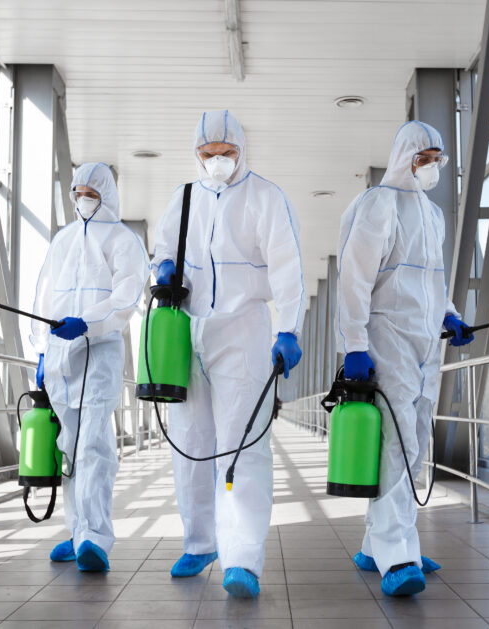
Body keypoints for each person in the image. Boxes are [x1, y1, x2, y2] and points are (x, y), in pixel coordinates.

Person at [152, 110, 305, 598]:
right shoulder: (185, 197)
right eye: (208, 154)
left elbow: (287, 268)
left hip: (244, 331)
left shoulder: (265, 197)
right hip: (187, 330)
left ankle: (241, 557)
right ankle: (200, 541)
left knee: (241, 445)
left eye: (227, 153)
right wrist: (163, 268)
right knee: (192, 442)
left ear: (241, 150)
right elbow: (158, 252)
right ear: (196, 154)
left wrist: (289, 329)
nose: (217, 162)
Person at [336, 120, 474, 596]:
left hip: (424, 341)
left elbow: (433, 279)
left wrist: (451, 315)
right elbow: (354, 280)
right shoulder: (379, 204)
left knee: (414, 440)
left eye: (437, 159)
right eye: (424, 159)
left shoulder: (432, 214)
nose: (431, 167)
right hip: (386, 334)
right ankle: (398, 555)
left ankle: (379, 545)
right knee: (395, 442)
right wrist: (354, 343)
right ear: (404, 158)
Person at [31, 162, 149, 572]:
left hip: (98, 354)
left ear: (106, 195)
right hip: (61, 358)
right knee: (68, 446)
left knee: (94, 444)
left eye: (91, 193)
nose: (83, 199)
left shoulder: (122, 239)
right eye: (77, 191)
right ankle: (76, 529)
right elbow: (43, 298)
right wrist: (42, 351)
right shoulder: (62, 240)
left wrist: (89, 322)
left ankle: (95, 538)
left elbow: (127, 294)